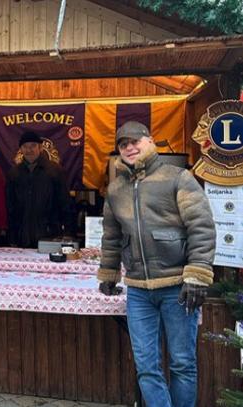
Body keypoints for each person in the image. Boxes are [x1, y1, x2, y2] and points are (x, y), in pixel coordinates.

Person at [97, 121, 216, 407]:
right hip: (138, 290)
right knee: (147, 366)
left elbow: (201, 226)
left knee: (182, 363)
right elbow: (112, 236)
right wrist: (109, 273)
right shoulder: (115, 189)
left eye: (135, 141)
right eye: (123, 144)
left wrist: (197, 276)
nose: (129, 147)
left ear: (150, 141)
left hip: (177, 286)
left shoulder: (179, 178)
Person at [6, 131, 70, 248]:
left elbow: (65, 203)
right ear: (21, 149)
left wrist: (68, 232)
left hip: (50, 235)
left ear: (40, 148)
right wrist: (12, 235)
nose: (29, 150)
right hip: (22, 237)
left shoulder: (55, 171)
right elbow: (10, 207)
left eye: (33, 146)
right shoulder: (13, 173)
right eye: (25, 147)